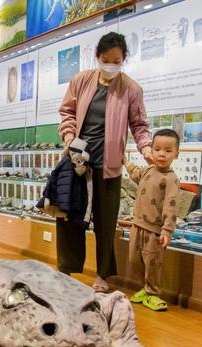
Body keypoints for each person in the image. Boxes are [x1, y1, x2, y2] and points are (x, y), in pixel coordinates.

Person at [58, 31, 152, 293]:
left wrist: (146, 149)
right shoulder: (81, 80)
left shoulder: (131, 89)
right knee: (70, 215)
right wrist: (68, 136)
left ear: (123, 60)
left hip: (108, 165)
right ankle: (66, 269)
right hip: (78, 160)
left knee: (105, 221)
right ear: (97, 56)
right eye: (106, 59)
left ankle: (102, 275)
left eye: (117, 60)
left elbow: (140, 125)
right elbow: (67, 111)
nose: (111, 64)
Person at [123, 129, 180, 312]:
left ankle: (153, 293)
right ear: (152, 151)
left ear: (176, 154)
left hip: (154, 230)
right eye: (157, 149)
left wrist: (166, 230)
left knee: (152, 263)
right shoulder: (148, 169)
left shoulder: (171, 179)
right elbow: (136, 173)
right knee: (134, 260)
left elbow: (171, 207)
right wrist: (124, 161)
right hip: (137, 225)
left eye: (167, 150)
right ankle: (144, 288)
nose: (162, 154)